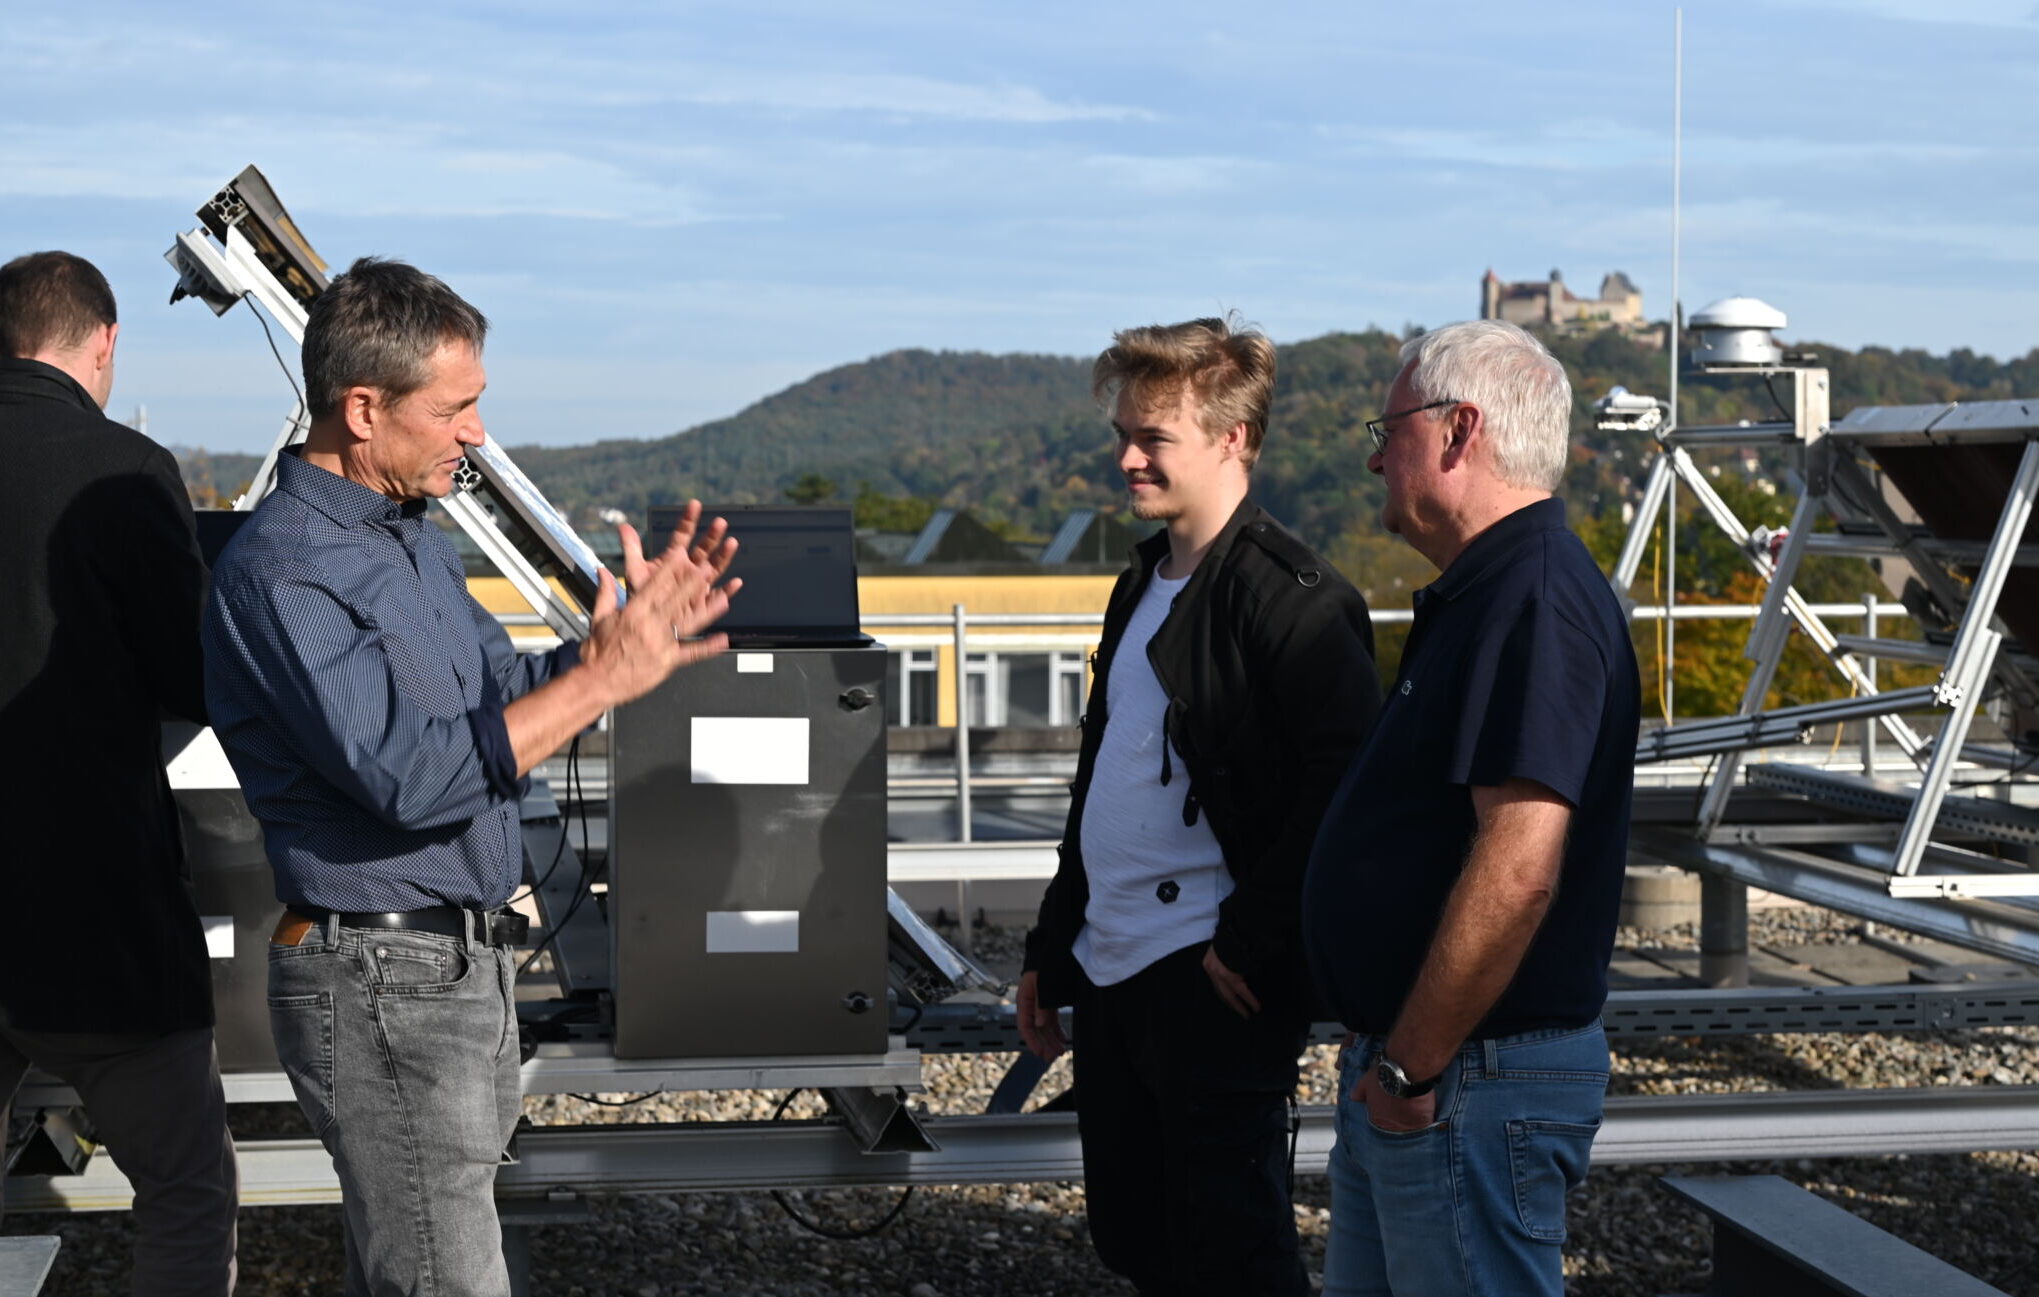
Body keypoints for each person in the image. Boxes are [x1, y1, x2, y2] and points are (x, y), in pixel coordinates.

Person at [203, 257, 740, 1297]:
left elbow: (499, 695)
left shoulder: (410, 543)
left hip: (451, 972)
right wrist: (598, 683)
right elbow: (408, 776)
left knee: (413, 1268)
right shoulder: (285, 569)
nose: (475, 434)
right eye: (456, 409)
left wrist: (608, 654)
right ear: (363, 409)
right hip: (381, 981)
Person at [1016, 315, 1381, 1296]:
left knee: (1233, 1251)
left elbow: (1345, 790)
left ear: (1233, 440)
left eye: (1152, 439)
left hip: (1210, 978)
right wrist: (1052, 947)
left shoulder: (1293, 600)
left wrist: (1246, 940)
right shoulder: (1138, 584)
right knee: (1136, 1236)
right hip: (1114, 966)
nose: (1127, 457)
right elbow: (1104, 775)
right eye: (1122, 435)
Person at [1302, 319, 1641, 1296]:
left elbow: (1518, 865)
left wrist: (1409, 1068)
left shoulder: (1528, 598)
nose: (1373, 454)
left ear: (1458, 431)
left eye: (1389, 426)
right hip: (1431, 1075)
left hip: (1463, 1079)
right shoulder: (1488, 593)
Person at [0, 251, 238, 1293]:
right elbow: (195, 677)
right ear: (103, 347)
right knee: (186, 1188)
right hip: (92, 912)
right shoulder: (126, 471)